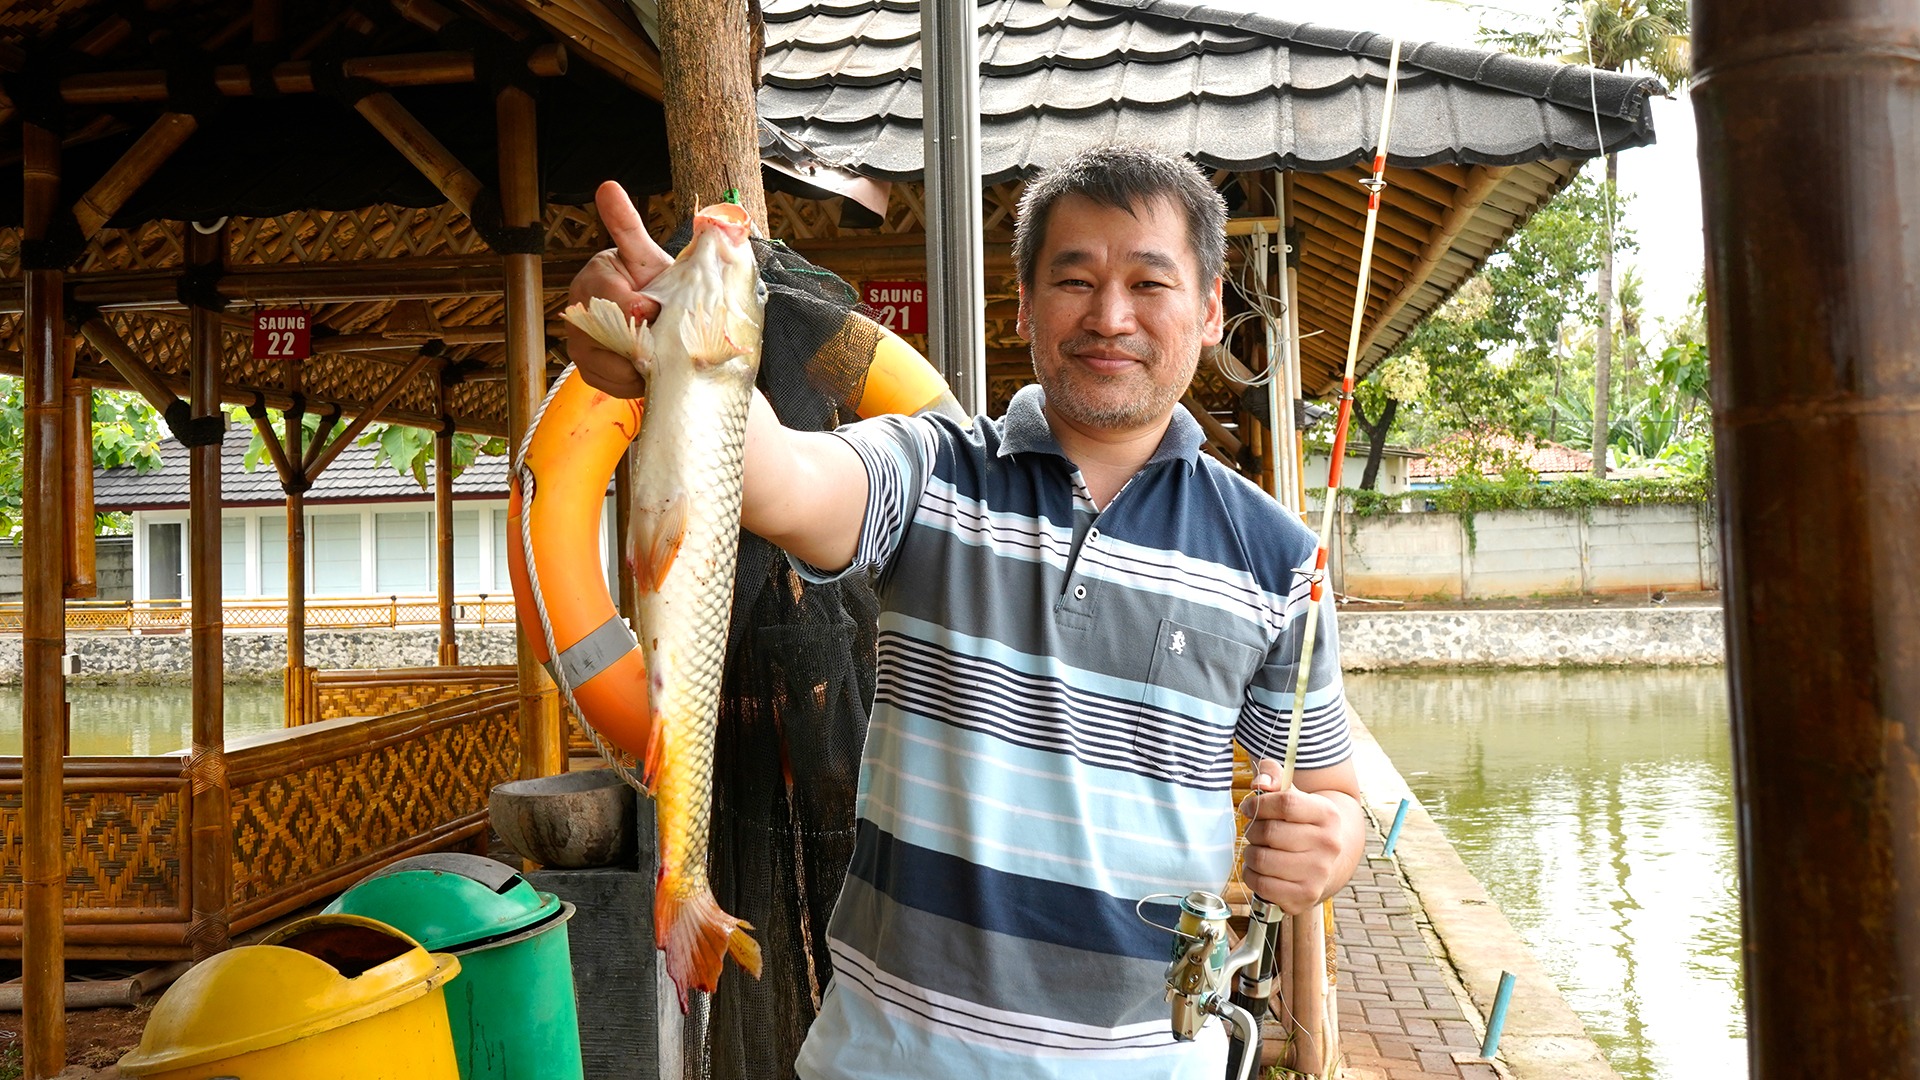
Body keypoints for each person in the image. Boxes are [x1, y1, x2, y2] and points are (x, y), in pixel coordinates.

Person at [568, 145, 1365, 1080]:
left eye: (1149, 281)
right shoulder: (935, 469)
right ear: (1024, 303)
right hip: (886, 1060)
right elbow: (785, 481)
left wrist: (1335, 843)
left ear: (1209, 306)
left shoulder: (1278, 559)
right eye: (1074, 278)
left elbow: (1332, 790)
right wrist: (678, 357)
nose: (1110, 316)